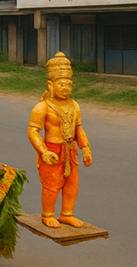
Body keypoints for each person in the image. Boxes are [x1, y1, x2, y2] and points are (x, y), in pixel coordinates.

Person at [27, 52, 92, 228]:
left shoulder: (74, 105)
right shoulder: (42, 107)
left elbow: (78, 127)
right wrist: (43, 151)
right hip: (52, 151)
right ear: (50, 85)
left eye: (69, 84)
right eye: (61, 84)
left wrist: (85, 146)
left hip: (70, 150)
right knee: (52, 185)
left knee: (72, 184)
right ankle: (47, 214)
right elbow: (33, 130)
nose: (65, 88)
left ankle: (66, 214)